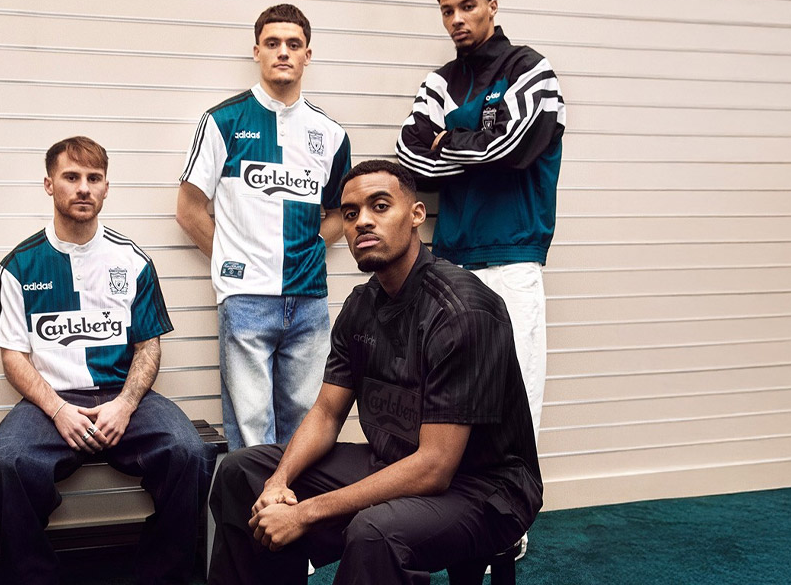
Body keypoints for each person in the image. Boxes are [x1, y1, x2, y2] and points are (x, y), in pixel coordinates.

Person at [207, 160, 541, 585]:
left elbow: (435, 467)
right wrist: (278, 482)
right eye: (350, 213)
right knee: (241, 472)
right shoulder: (361, 306)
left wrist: (305, 512)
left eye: (380, 206)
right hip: (396, 460)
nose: (362, 221)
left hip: (484, 487)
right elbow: (326, 413)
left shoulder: (463, 311)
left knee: (375, 532)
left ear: (416, 214)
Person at [0, 136, 208, 585]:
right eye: (71, 177)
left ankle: (160, 575)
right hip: (50, 402)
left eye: (94, 178)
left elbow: (148, 347)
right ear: (49, 184)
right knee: (8, 464)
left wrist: (125, 404)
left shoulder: (132, 260)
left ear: (106, 187)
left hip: (123, 396)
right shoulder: (18, 266)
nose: (83, 188)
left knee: (190, 453)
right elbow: (14, 357)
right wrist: (58, 410)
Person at [176, 4, 352, 450]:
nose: (283, 52)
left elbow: (339, 212)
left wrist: (313, 245)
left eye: (293, 44)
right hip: (246, 299)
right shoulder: (223, 121)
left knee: (308, 426)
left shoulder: (331, 134)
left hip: (309, 298)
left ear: (308, 54)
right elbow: (189, 209)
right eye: (273, 43)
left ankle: (297, 499)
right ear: (257, 51)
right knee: (252, 429)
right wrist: (233, 259)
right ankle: (257, 500)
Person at [395, 0, 565, 447]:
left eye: (467, 6)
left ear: (492, 5)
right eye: (446, 10)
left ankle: (514, 499)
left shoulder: (530, 70)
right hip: (451, 264)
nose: (456, 19)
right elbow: (411, 160)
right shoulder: (439, 84)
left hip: (512, 259)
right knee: (449, 399)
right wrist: (481, 145)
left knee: (517, 400)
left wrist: (448, 140)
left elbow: (517, 147)